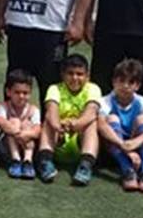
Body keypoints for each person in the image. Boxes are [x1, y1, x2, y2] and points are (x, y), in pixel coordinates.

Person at [96, 58, 143, 193]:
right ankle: (127, 170)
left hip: (136, 144)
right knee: (112, 118)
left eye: (131, 82)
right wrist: (124, 146)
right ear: (114, 81)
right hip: (115, 146)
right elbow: (101, 125)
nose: (125, 86)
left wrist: (136, 142)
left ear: (137, 86)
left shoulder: (142, 102)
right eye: (121, 81)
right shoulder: (105, 101)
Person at [38, 54, 101, 185]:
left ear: (87, 76)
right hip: (58, 137)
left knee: (92, 123)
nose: (75, 78)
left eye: (79, 74)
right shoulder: (55, 88)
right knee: (48, 120)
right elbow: (52, 110)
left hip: (80, 140)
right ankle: (45, 162)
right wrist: (58, 126)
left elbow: (91, 112)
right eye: (70, 73)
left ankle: (85, 165)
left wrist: (75, 124)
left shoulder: (93, 88)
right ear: (63, 75)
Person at [0, 69, 41, 180]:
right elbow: (1, 121)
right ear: (8, 92)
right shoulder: (3, 107)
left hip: (27, 146)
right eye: (17, 92)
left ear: (30, 93)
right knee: (14, 122)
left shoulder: (33, 110)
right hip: (7, 147)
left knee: (27, 126)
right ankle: (15, 160)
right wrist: (17, 132)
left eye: (25, 93)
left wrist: (26, 134)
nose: (21, 96)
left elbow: (37, 130)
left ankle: (27, 161)